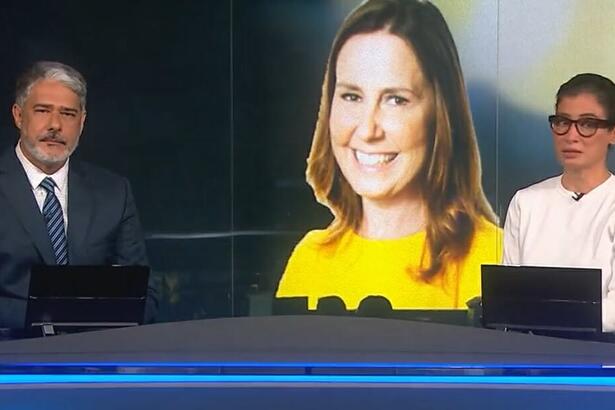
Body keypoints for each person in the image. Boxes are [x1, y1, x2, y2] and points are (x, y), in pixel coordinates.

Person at [276, 0, 500, 311]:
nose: (367, 130)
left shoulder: (494, 257)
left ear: (440, 114)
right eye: (351, 96)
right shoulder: (309, 261)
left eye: (395, 99)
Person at [0, 61, 156, 328]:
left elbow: (145, 298)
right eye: (42, 111)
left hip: (93, 358)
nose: (55, 125)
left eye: (68, 114)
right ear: (18, 115)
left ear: (82, 122)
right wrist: (52, 319)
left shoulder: (114, 193)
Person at [503, 73, 615, 332]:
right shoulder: (526, 202)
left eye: (587, 124)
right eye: (563, 122)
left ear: (611, 133)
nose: (571, 136)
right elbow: (509, 298)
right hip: (532, 356)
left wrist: (540, 311)